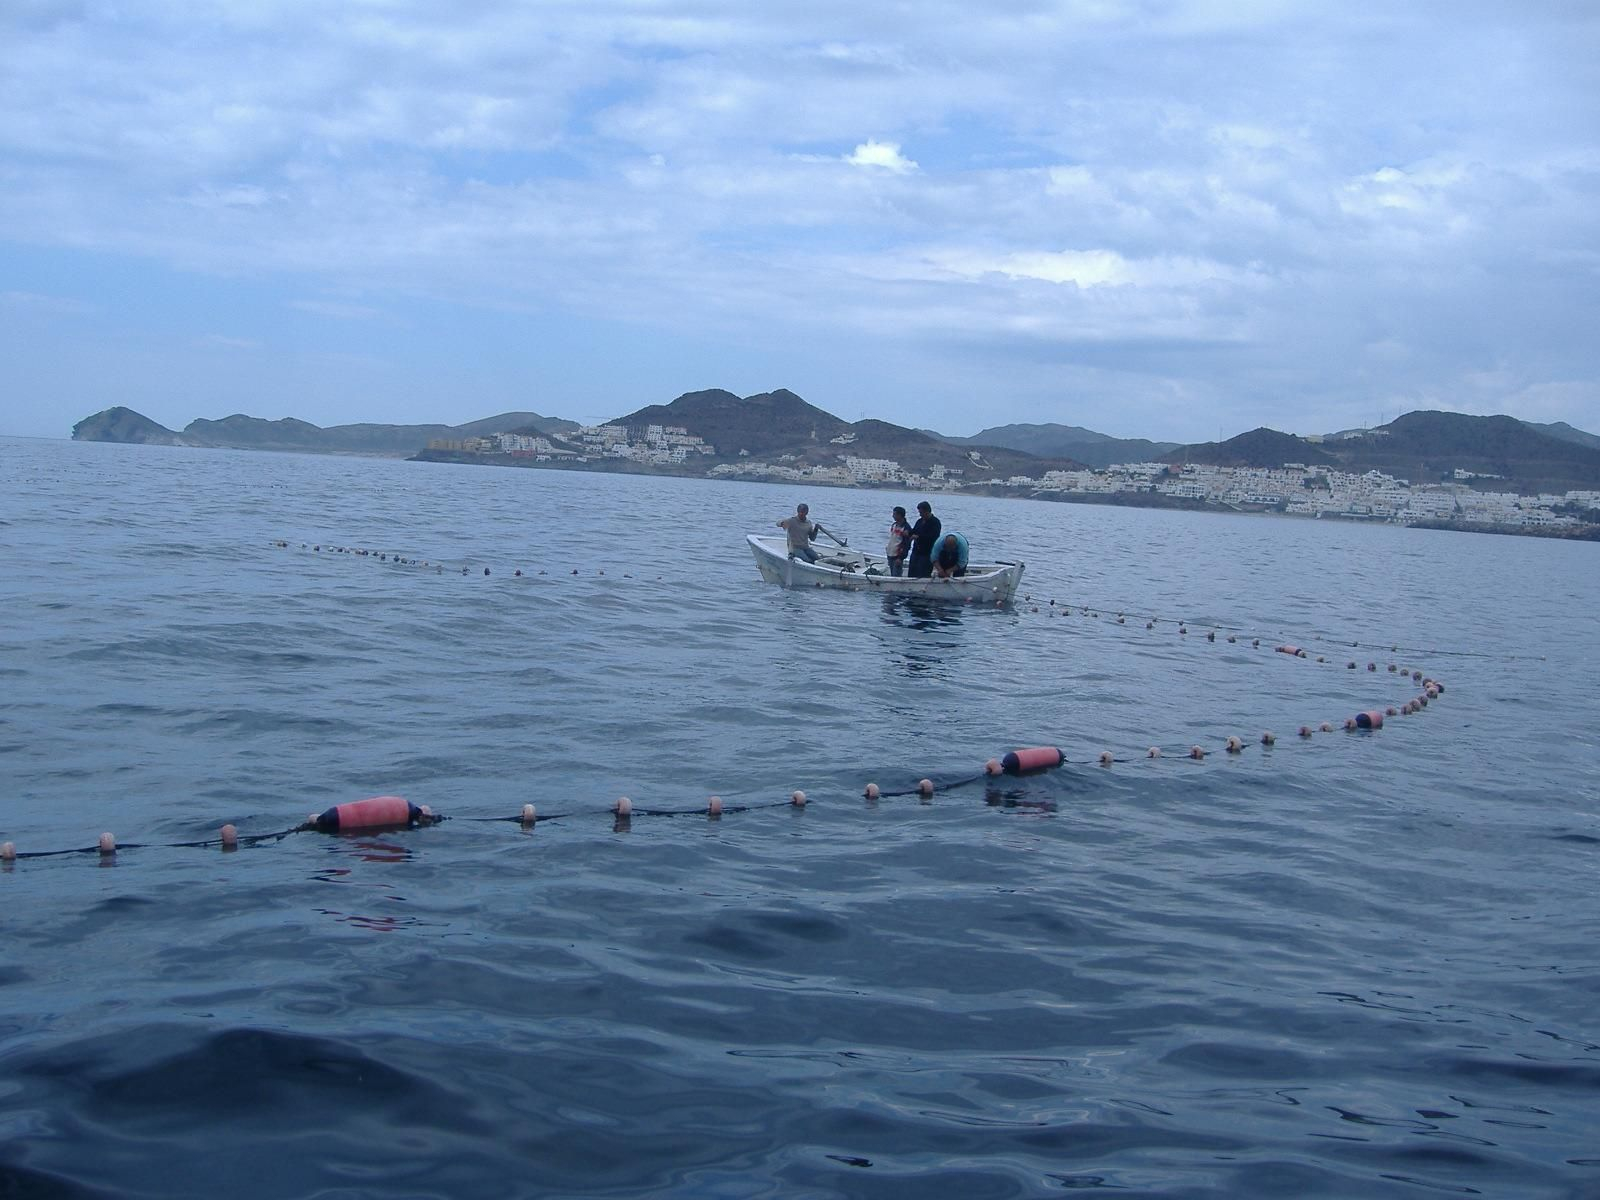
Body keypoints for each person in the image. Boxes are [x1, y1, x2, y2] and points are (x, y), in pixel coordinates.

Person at [906, 500, 941, 578]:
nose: (920, 514)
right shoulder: (919, 521)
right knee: (912, 573)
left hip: (927, 553)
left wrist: (918, 537)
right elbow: (914, 531)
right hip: (916, 551)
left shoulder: (935, 522)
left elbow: (933, 537)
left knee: (923, 574)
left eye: (921, 512)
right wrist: (908, 533)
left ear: (927, 511)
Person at [884, 506, 913, 577]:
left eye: (894, 514)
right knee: (892, 573)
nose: (893, 516)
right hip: (890, 553)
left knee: (896, 574)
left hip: (897, 556)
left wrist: (900, 557)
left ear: (899, 515)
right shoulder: (894, 525)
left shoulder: (906, 528)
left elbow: (906, 544)